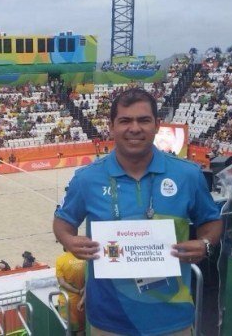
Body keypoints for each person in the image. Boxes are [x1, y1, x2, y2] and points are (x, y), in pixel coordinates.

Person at [53, 88, 222, 336]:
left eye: (143, 120)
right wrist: (69, 241)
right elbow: (62, 223)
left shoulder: (188, 175)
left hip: (173, 319)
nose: (135, 128)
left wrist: (205, 245)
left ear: (156, 125)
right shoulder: (86, 178)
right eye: (125, 120)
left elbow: (212, 221)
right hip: (108, 321)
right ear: (111, 126)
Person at [56, 247, 86, 335]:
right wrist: (82, 290)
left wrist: (77, 291)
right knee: (81, 329)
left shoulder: (60, 260)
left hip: (66, 299)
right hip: (82, 300)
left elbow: (62, 282)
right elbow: (89, 279)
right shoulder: (84, 258)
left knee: (67, 329)